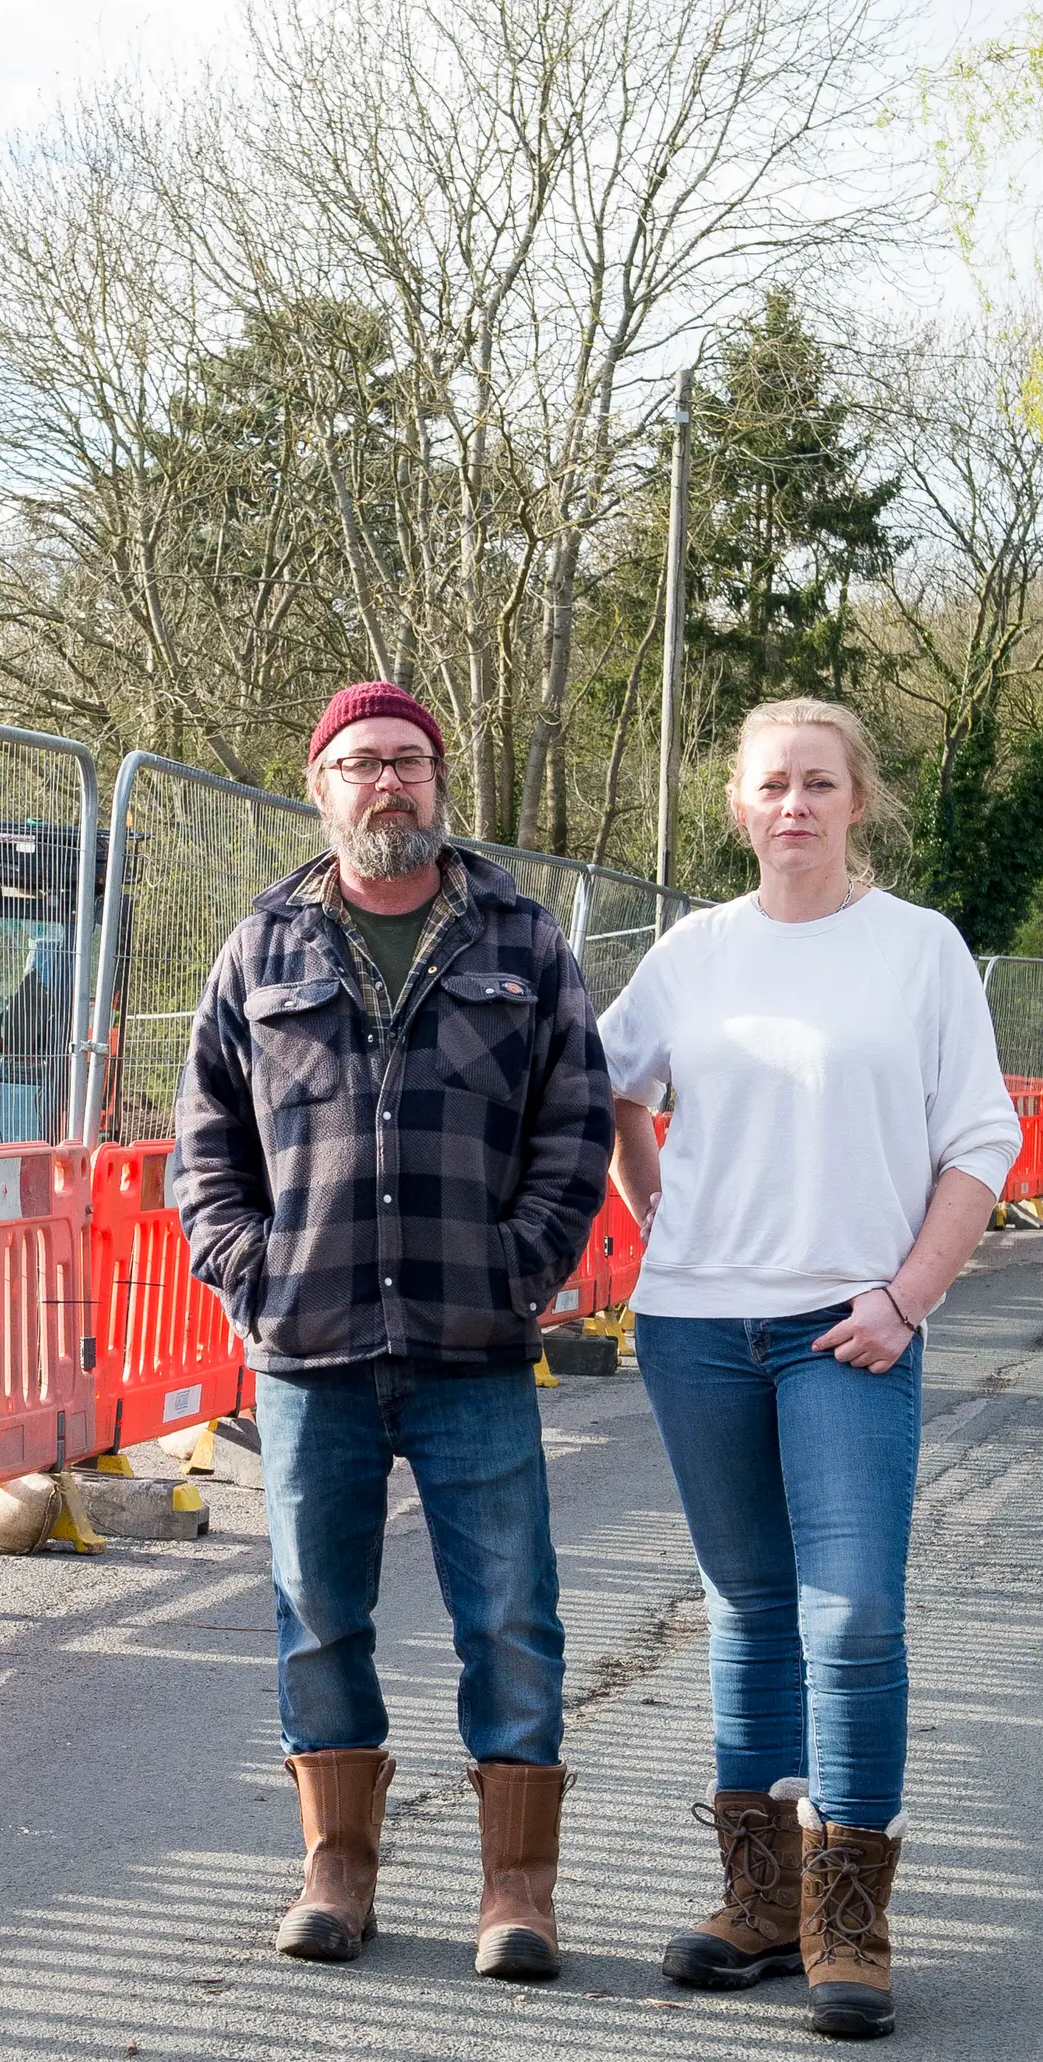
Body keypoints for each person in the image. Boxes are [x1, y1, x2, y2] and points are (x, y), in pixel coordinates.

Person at [175, 681, 615, 1981]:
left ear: (438, 781)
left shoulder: (524, 943)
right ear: (322, 789)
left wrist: (522, 1265)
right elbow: (205, 1142)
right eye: (362, 764)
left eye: (410, 762)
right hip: (310, 1353)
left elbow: (574, 1129)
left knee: (512, 1617)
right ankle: (337, 1870)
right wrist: (255, 1278)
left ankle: (517, 1891)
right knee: (320, 1617)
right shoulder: (263, 949)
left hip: (471, 1347)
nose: (390, 784)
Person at [599, 698, 1019, 2038]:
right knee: (746, 1604)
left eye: (819, 783)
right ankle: (761, 1902)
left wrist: (906, 1298)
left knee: (852, 1618)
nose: (795, 804)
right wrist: (659, 1208)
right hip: (696, 1329)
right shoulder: (693, 951)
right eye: (772, 783)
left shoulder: (918, 952)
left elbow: (979, 1147)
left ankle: (852, 1917)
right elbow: (604, 1079)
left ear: (856, 802)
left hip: (851, 1328)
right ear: (736, 805)